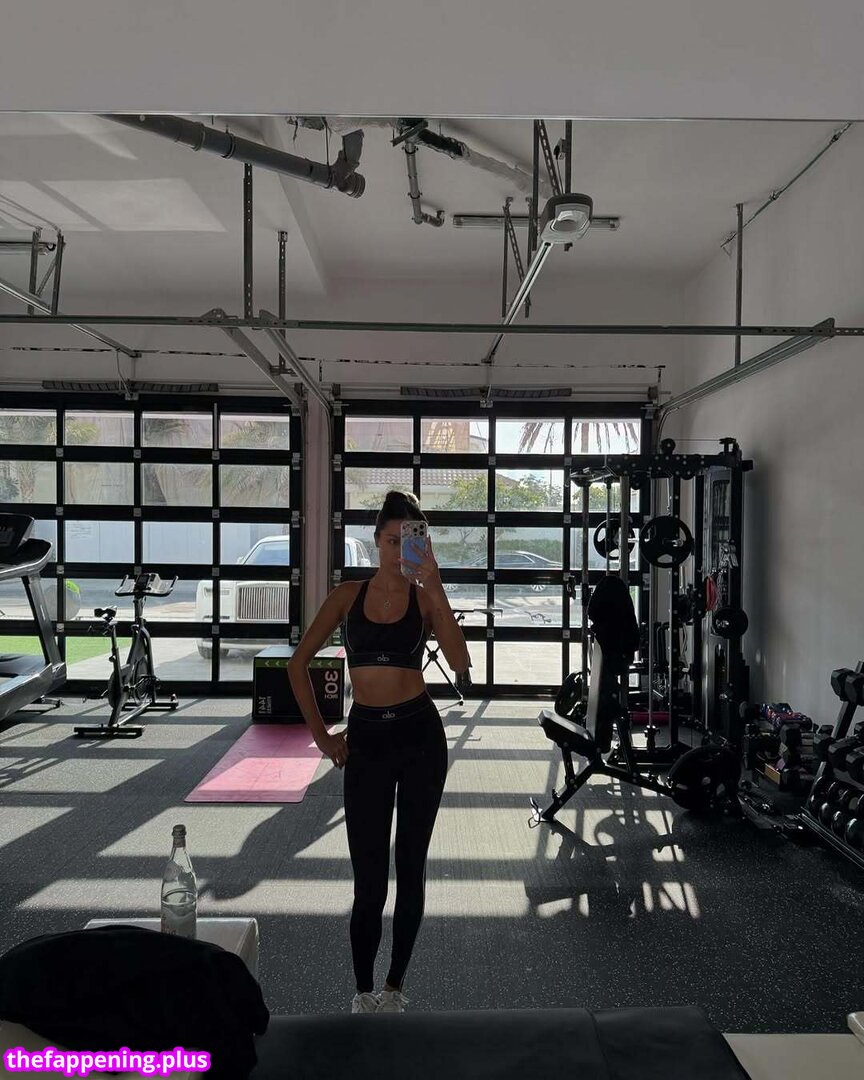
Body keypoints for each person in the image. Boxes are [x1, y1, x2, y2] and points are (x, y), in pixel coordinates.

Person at [287, 490, 470, 1015]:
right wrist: (323, 737)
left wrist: (435, 585)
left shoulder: (425, 596)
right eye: (391, 540)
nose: (398, 551)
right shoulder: (347, 596)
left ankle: (394, 987)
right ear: (376, 541)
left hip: (420, 741)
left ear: (423, 544)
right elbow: (299, 664)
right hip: (366, 741)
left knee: (410, 868)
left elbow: (460, 663)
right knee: (369, 882)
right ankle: (363, 990)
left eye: (409, 541)